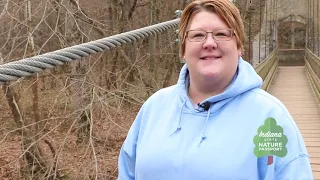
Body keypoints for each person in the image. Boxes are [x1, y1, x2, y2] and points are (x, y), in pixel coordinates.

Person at [118, 0, 313, 179]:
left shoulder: (270, 119)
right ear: (183, 49)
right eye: (197, 35)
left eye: (221, 34)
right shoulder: (154, 108)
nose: (209, 43)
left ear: (239, 47)